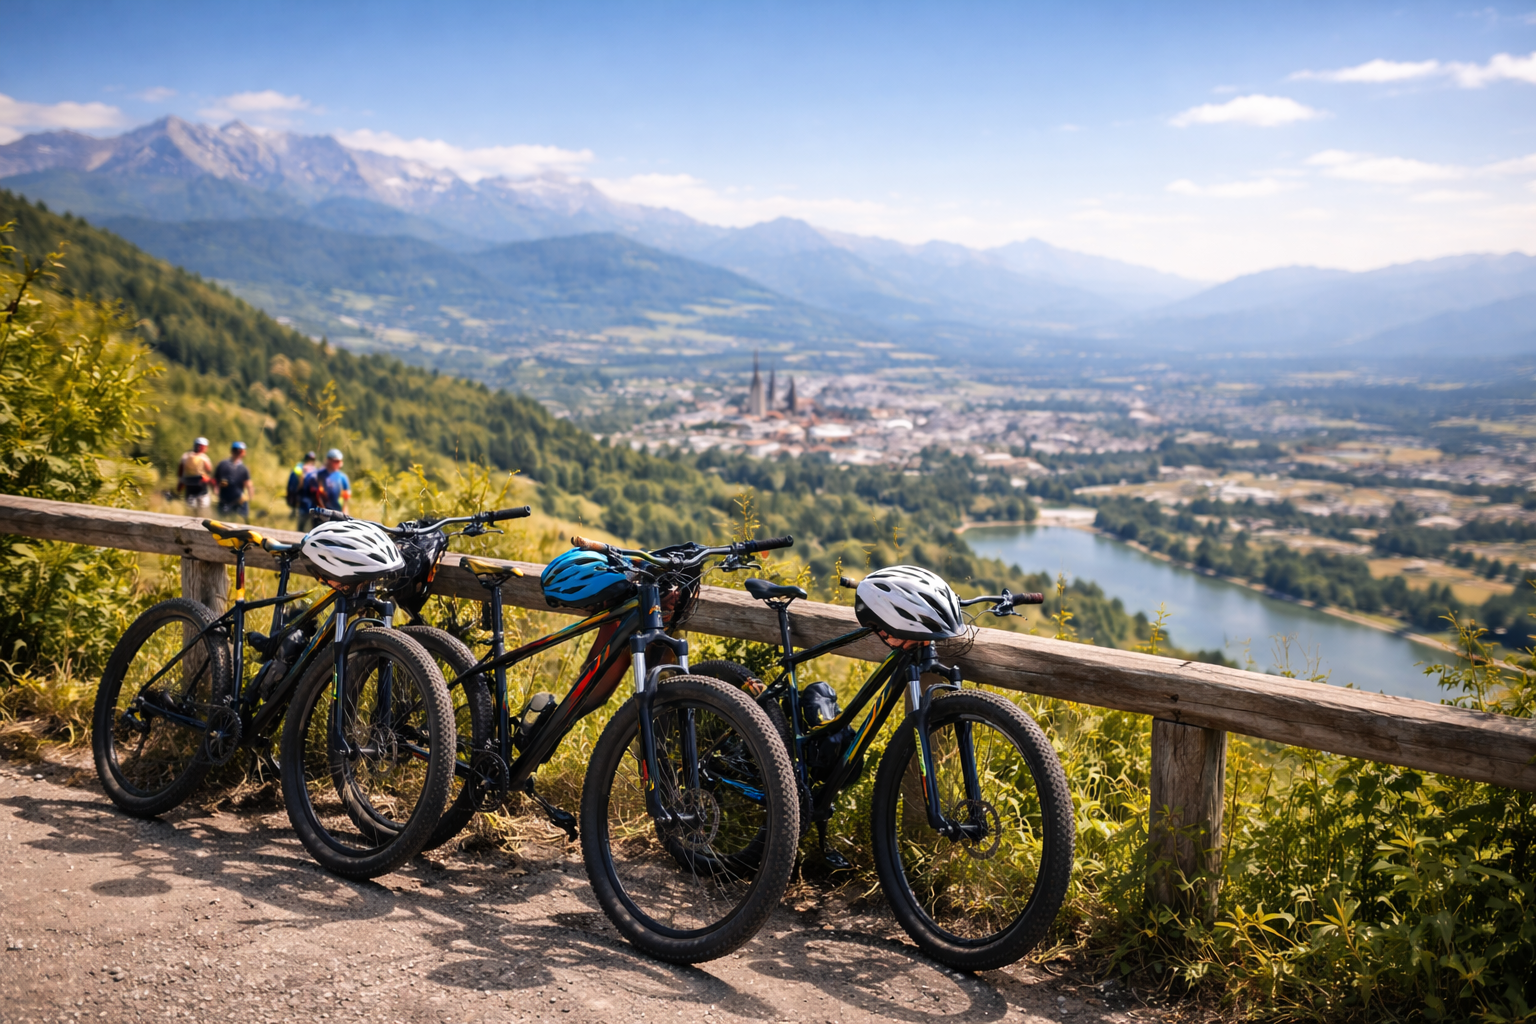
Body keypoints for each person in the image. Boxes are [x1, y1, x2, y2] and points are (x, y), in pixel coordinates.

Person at [304, 448, 352, 519]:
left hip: (337, 512)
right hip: (320, 512)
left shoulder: (343, 477)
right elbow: (312, 493)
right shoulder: (318, 475)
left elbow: (346, 498)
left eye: (340, 461)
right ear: (329, 460)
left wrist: (345, 511)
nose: (339, 463)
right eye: (336, 461)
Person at [214, 441, 254, 520]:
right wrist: (250, 497)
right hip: (227, 500)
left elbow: (218, 481)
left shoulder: (224, 464)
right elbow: (248, 484)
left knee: (227, 522)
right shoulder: (224, 465)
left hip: (236, 500)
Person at [177, 437, 214, 511]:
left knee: (190, 510)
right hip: (201, 488)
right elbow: (209, 469)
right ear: (202, 447)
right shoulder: (204, 457)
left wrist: (181, 482)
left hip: (189, 487)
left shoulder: (185, 456)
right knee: (203, 510)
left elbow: (180, 472)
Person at [287, 450, 317, 530]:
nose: (310, 461)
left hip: (310, 501)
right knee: (301, 526)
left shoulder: (314, 470)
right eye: (309, 459)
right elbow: (295, 482)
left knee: (308, 526)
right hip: (301, 498)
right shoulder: (300, 467)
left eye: (312, 460)